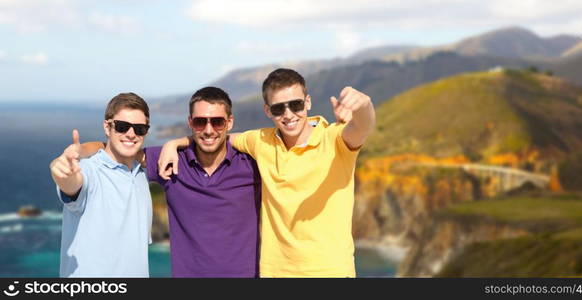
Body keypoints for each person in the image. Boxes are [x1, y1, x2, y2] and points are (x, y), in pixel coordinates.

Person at [159, 68, 376, 277]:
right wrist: (175, 143)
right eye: (278, 108)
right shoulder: (261, 140)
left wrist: (363, 106)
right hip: (275, 273)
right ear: (267, 111)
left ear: (307, 102)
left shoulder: (335, 139)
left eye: (296, 105)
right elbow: (215, 137)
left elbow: (362, 127)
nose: (288, 114)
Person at [79, 87, 261, 277]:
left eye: (217, 122)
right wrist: (79, 150)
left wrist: (176, 141)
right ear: (190, 122)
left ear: (229, 122)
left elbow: (278, 140)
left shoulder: (251, 163)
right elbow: (117, 148)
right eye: (200, 122)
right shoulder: (171, 161)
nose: (208, 130)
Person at [50, 92, 153, 277]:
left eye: (139, 128)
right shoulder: (90, 170)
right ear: (107, 127)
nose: (131, 134)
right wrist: (64, 174)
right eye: (122, 126)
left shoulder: (141, 174)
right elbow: (74, 185)